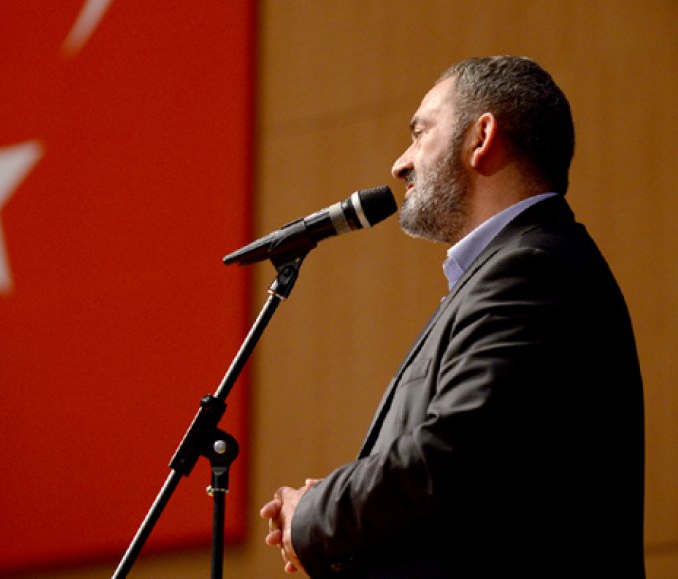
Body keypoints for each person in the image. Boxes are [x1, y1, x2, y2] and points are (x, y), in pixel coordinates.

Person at [260, 56, 645, 578]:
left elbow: (454, 457)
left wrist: (317, 513)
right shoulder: (510, 271)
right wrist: (339, 533)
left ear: (481, 137)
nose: (400, 164)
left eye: (420, 133)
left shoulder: (534, 269)